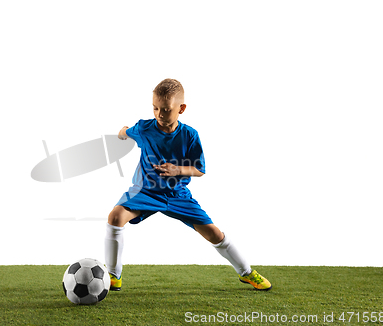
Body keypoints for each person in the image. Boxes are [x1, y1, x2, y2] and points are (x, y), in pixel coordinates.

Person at [104, 78, 272, 291]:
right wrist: (122, 132)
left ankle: (247, 273)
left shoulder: (190, 135)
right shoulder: (144, 128)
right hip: (146, 192)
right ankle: (113, 275)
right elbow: (126, 131)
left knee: (215, 234)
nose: (159, 115)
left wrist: (178, 170)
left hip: (177, 195)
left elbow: (199, 169)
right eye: (155, 108)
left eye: (166, 110)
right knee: (115, 217)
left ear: (181, 109)